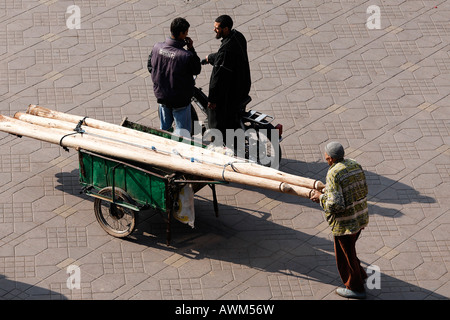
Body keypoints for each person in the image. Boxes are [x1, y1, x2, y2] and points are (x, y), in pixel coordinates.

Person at [310, 141, 369, 299]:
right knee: (350, 250)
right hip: (360, 216)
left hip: (345, 224)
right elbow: (363, 188)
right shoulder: (354, 164)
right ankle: (361, 275)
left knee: (344, 256)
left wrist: (320, 197)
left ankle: (355, 288)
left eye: (326, 155)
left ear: (329, 158)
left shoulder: (333, 173)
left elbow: (336, 204)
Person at [148, 17, 201, 138]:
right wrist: (191, 48)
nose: (187, 35)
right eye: (186, 33)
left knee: (164, 129)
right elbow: (197, 69)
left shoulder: (157, 47)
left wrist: (161, 79)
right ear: (182, 33)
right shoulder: (186, 56)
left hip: (162, 97)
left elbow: (150, 66)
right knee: (182, 134)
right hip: (180, 101)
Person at [204, 15, 251, 145]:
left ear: (225, 29)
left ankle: (219, 145)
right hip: (243, 85)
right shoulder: (238, 36)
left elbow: (217, 78)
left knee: (215, 119)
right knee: (232, 118)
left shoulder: (225, 50)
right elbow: (227, 58)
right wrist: (211, 58)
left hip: (232, 92)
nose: (214, 30)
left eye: (217, 28)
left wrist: (212, 100)